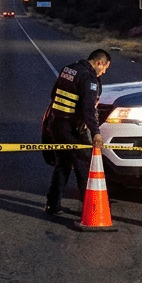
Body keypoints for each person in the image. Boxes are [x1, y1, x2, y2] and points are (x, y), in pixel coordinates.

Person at [42, 48, 112, 215]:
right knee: (84, 165)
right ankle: (90, 209)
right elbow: (88, 109)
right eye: (104, 68)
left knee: (63, 164)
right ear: (99, 62)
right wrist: (96, 132)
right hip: (72, 128)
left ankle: (53, 204)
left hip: (57, 124)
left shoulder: (68, 69)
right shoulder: (89, 78)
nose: (103, 72)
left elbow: (54, 94)